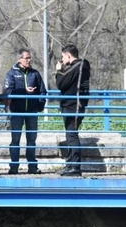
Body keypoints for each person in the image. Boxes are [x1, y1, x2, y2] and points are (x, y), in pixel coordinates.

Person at [3, 48, 47, 174]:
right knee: (15, 140)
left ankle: (32, 167)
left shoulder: (35, 74)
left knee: (32, 140)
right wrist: (24, 91)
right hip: (17, 112)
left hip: (32, 112)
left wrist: (40, 105)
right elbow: (8, 92)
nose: (29, 60)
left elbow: (42, 91)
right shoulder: (11, 74)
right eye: (26, 58)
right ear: (19, 59)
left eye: (29, 58)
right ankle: (14, 167)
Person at [54, 43, 91, 177]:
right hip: (73, 105)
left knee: (72, 136)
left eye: (63, 56)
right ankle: (70, 164)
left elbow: (61, 84)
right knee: (70, 136)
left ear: (69, 56)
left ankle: (75, 166)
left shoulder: (77, 66)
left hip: (73, 106)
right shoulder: (78, 67)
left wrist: (59, 70)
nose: (62, 60)